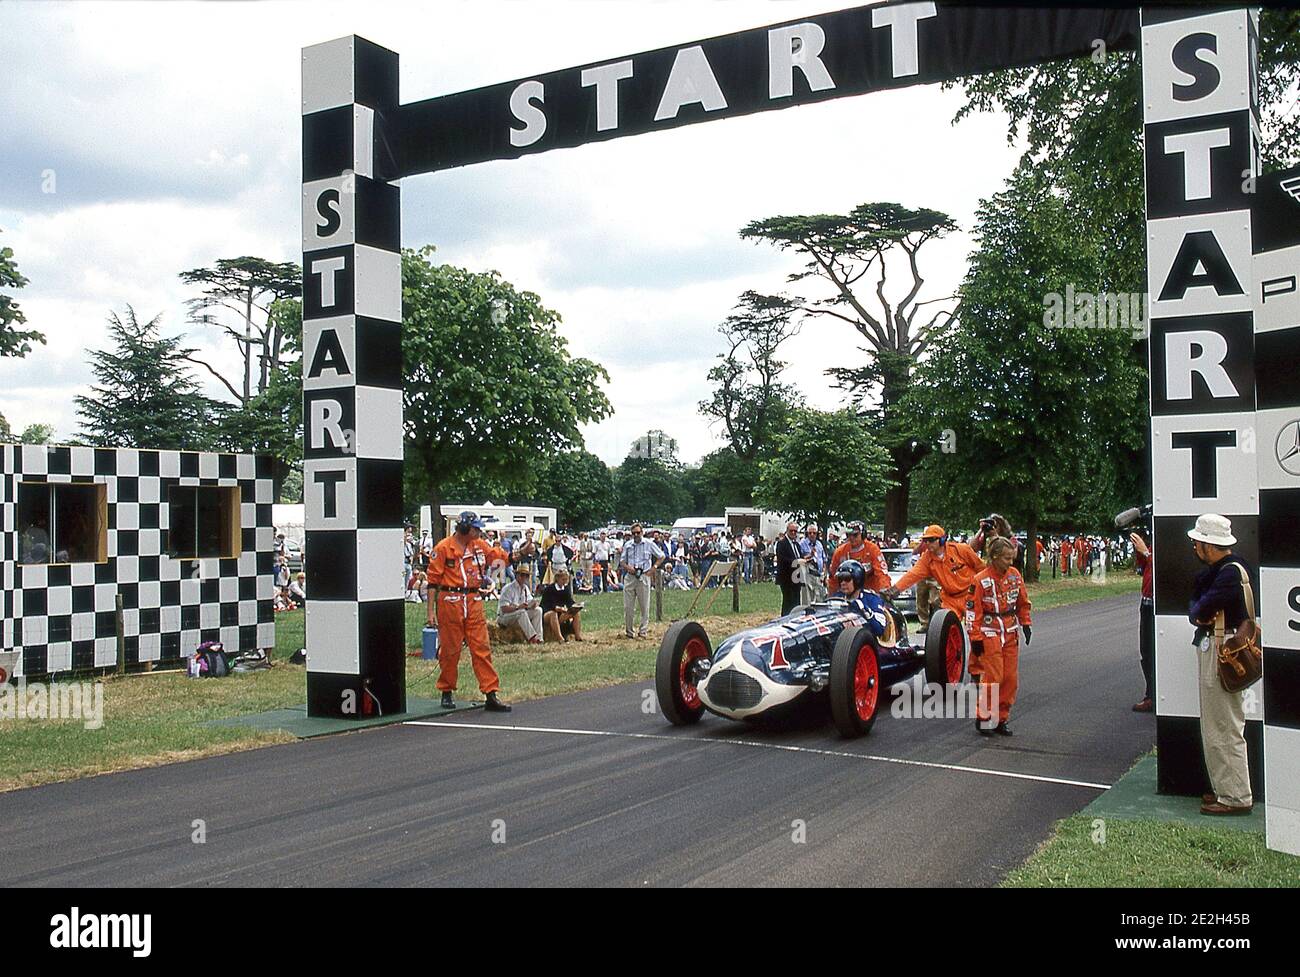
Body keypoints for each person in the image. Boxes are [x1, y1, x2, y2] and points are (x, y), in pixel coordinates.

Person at [1187, 514, 1254, 816]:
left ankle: (1235, 796)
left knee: (1223, 726)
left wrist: (1200, 611)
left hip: (1221, 649)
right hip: (1221, 646)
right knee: (1222, 724)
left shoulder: (1226, 574)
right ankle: (1226, 789)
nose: (1195, 548)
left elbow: (1198, 609)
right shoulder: (1233, 569)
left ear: (1209, 546)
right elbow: (1198, 609)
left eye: (1198, 543)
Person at [426, 510, 512, 712]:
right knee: (450, 650)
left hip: (473, 600)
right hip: (450, 601)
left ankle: (490, 693)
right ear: (465, 528)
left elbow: (499, 559)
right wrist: (430, 612)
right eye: (476, 529)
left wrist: (518, 554)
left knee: (481, 648)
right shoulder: (444, 548)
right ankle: (446, 691)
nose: (479, 533)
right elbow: (432, 582)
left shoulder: (479, 546)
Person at [884, 524, 984, 675]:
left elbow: (981, 568)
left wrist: (986, 591)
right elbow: (912, 575)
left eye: (932, 540)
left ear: (942, 540)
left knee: (976, 635)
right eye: (926, 541)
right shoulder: (927, 559)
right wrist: (893, 591)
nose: (928, 544)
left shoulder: (961, 550)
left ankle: (977, 671)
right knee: (943, 632)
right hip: (950, 599)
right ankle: (945, 666)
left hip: (971, 597)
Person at [966, 537, 1032, 736]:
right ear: (994, 557)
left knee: (1010, 679)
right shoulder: (979, 580)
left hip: (1010, 631)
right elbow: (972, 612)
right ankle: (984, 717)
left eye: (1012, 558)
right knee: (994, 677)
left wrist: (1026, 623)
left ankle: (1001, 718)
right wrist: (975, 638)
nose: (1010, 563)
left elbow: (1023, 602)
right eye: (1006, 559)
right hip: (989, 631)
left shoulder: (1015, 576)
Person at [618, 522, 664, 638]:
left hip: (644, 576)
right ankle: (629, 632)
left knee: (644, 606)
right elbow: (622, 561)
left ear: (642, 532)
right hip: (630, 577)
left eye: (638, 532)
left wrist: (653, 568)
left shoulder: (649, 544)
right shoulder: (628, 545)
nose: (636, 535)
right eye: (634, 533)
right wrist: (629, 568)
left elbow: (661, 556)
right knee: (628, 607)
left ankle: (643, 631)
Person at [831, 559, 891, 640]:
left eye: (847, 579)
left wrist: (863, 609)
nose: (842, 583)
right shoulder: (836, 597)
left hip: (864, 643)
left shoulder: (872, 599)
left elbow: (879, 630)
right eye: (840, 579)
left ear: (857, 580)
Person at [828, 521, 891, 593]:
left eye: (855, 535)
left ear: (863, 535)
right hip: (848, 594)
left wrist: (885, 590)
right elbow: (833, 576)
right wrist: (831, 595)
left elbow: (882, 572)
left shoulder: (872, 549)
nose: (851, 538)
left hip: (870, 592)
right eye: (849, 535)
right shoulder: (840, 552)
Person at [1131, 531, 1154, 712]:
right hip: (1146, 602)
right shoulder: (1153, 548)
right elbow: (1144, 567)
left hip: (1160, 607)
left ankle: (1155, 695)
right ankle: (1150, 694)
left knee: (1155, 652)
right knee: (1145, 651)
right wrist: (1140, 551)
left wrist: (1146, 552)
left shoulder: (1166, 549)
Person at [496, 563, 543, 644]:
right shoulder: (508, 588)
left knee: (538, 610)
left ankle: (539, 638)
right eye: (522, 575)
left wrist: (533, 604)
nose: (524, 577)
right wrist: (518, 607)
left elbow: (529, 602)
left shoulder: (526, 588)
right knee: (521, 612)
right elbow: (504, 609)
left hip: (519, 615)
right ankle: (532, 638)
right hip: (504, 617)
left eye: (526, 576)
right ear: (516, 575)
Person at [541, 567, 584, 642]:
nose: (564, 582)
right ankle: (560, 638)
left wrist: (575, 606)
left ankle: (578, 636)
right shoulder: (549, 589)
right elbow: (544, 604)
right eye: (563, 579)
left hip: (561, 613)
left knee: (576, 613)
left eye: (566, 580)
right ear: (557, 578)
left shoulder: (565, 589)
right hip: (548, 613)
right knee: (553, 614)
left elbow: (569, 601)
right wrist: (555, 608)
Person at [774, 522, 803, 615]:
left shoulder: (797, 545)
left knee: (796, 601)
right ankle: (785, 620)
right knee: (788, 601)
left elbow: (799, 557)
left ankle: (795, 618)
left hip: (797, 577)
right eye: (791, 531)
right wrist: (796, 562)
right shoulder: (781, 544)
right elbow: (783, 560)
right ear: (787, 530)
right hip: (786, 578)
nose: (793, 533)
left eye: (795, 531)